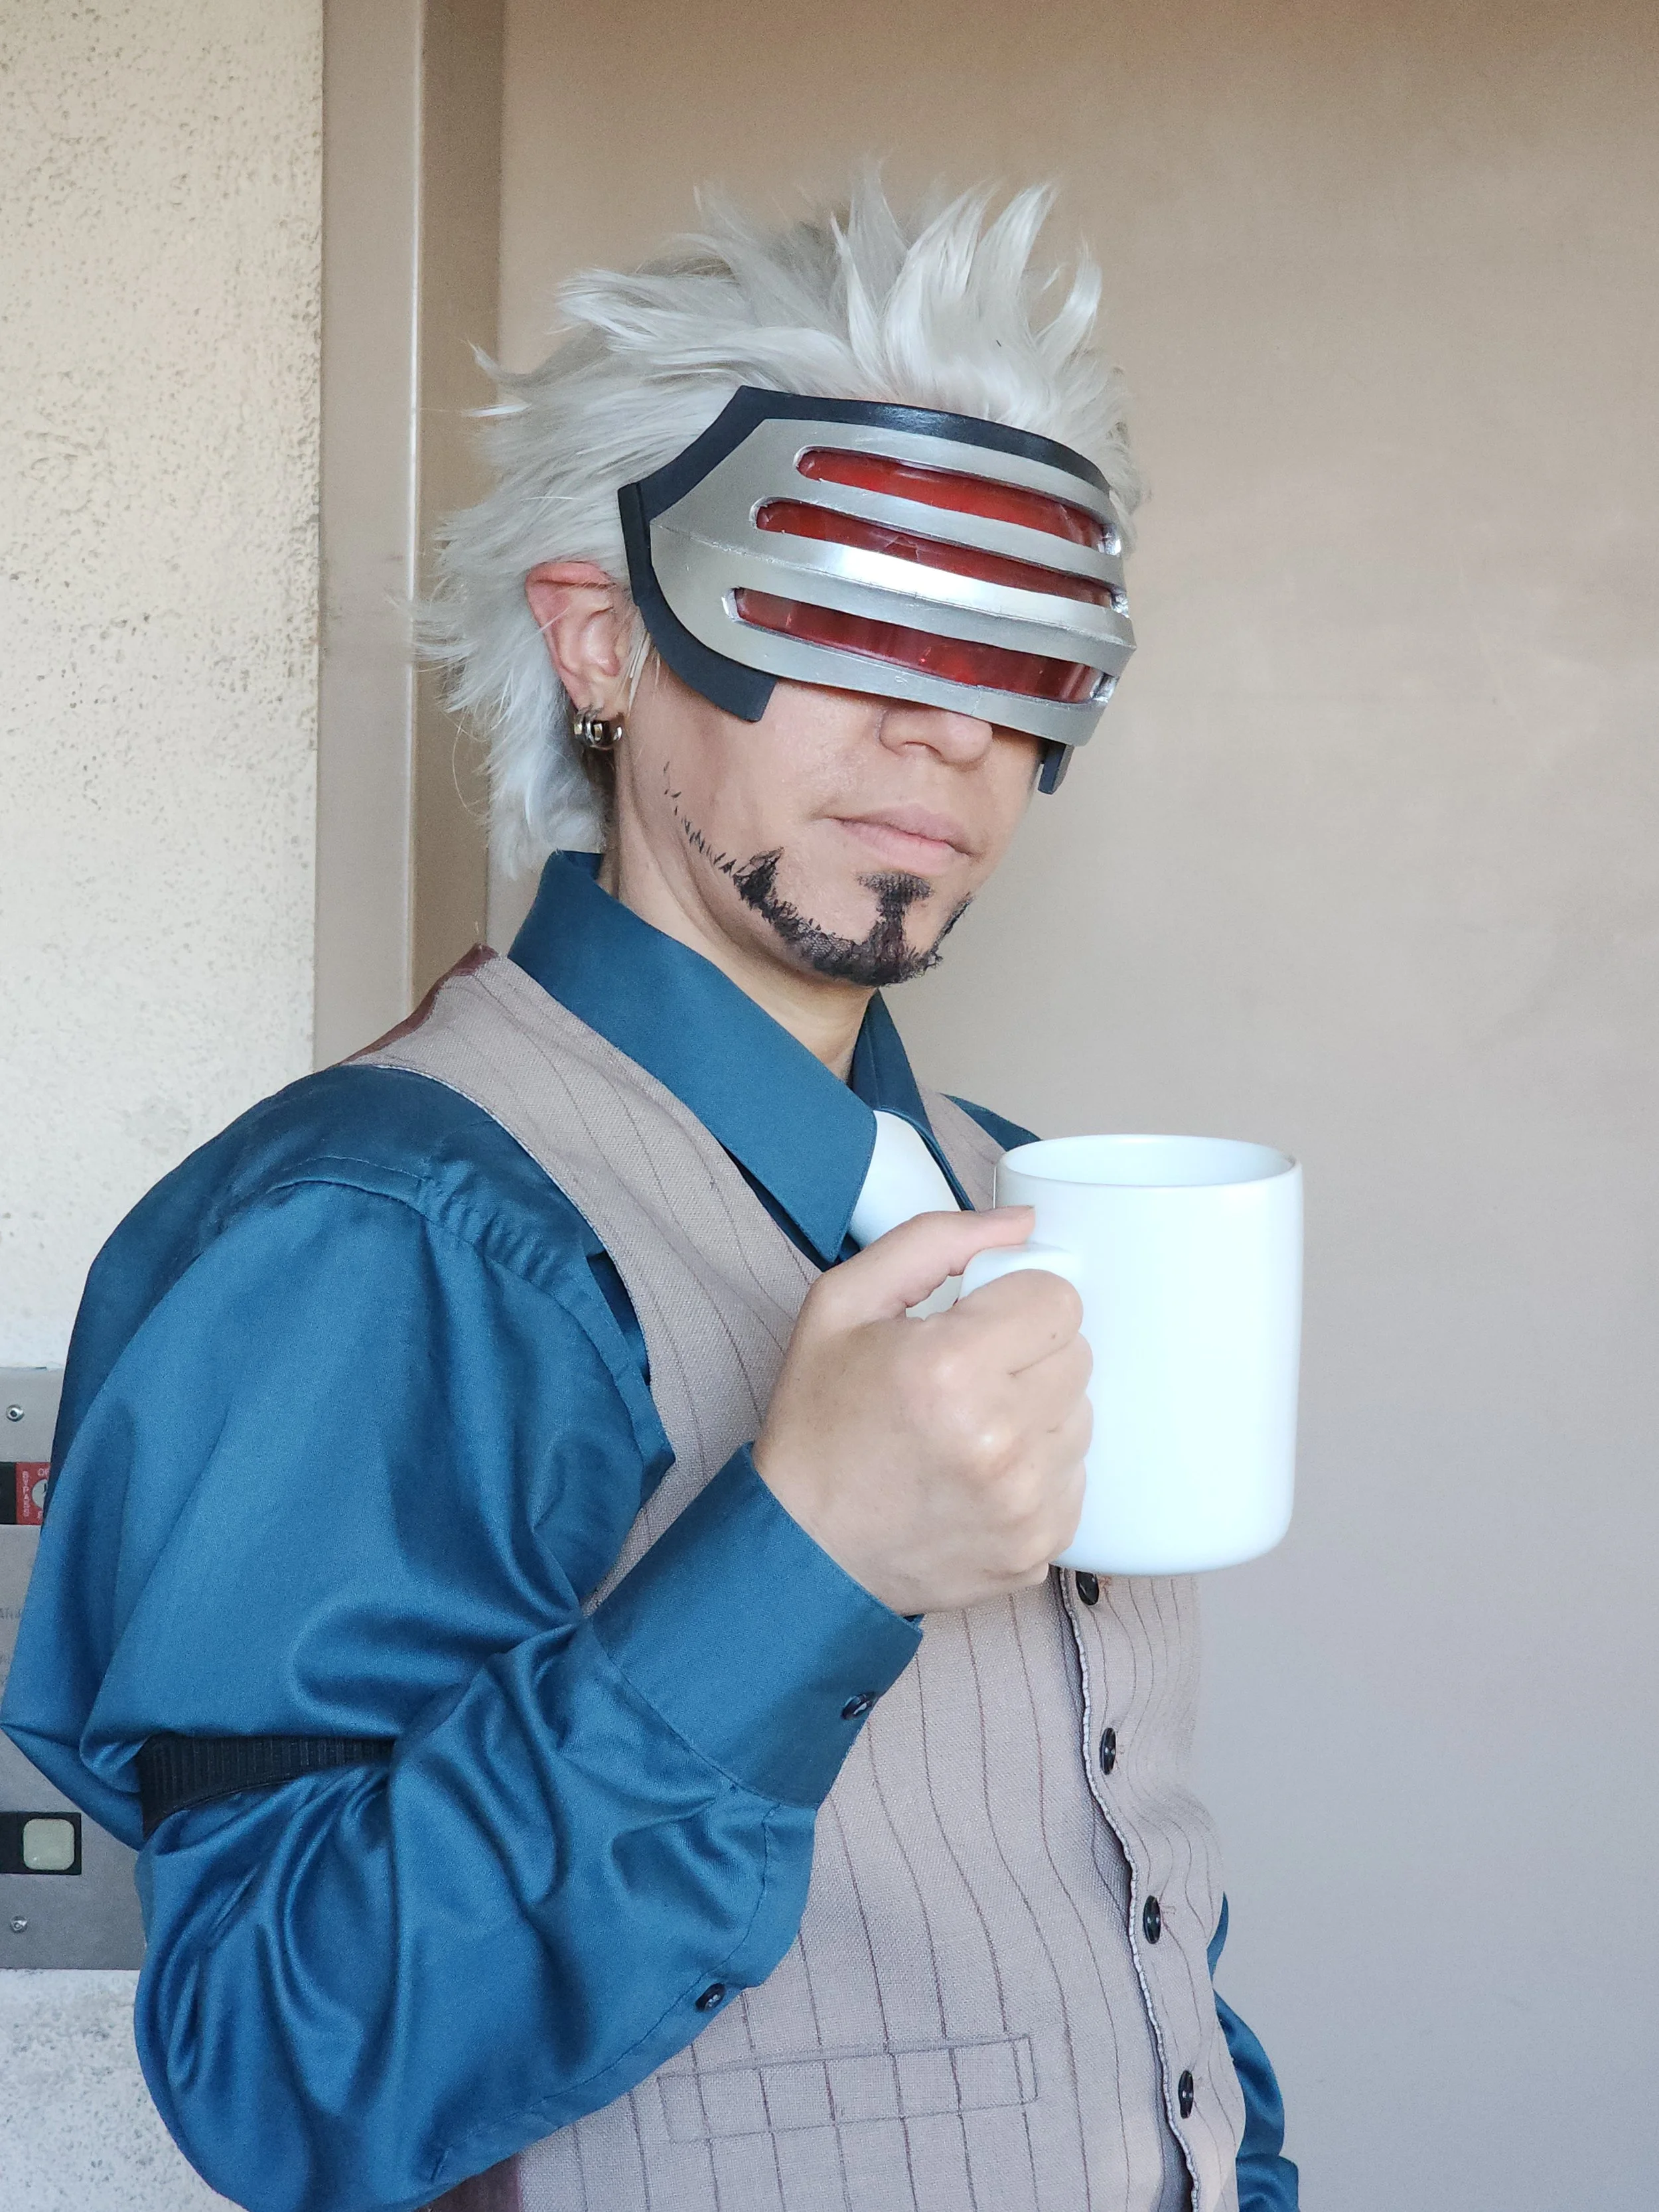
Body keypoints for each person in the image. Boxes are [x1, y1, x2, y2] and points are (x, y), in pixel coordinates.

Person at [3, 181, 1298, 2212]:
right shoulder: (381, 1231)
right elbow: (272, 2059)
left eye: (1010, 648)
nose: (943, 724)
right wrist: (803, 1551)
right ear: (603, 637)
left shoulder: (999, 1187)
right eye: (848, 612)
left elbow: (1111, 1884)